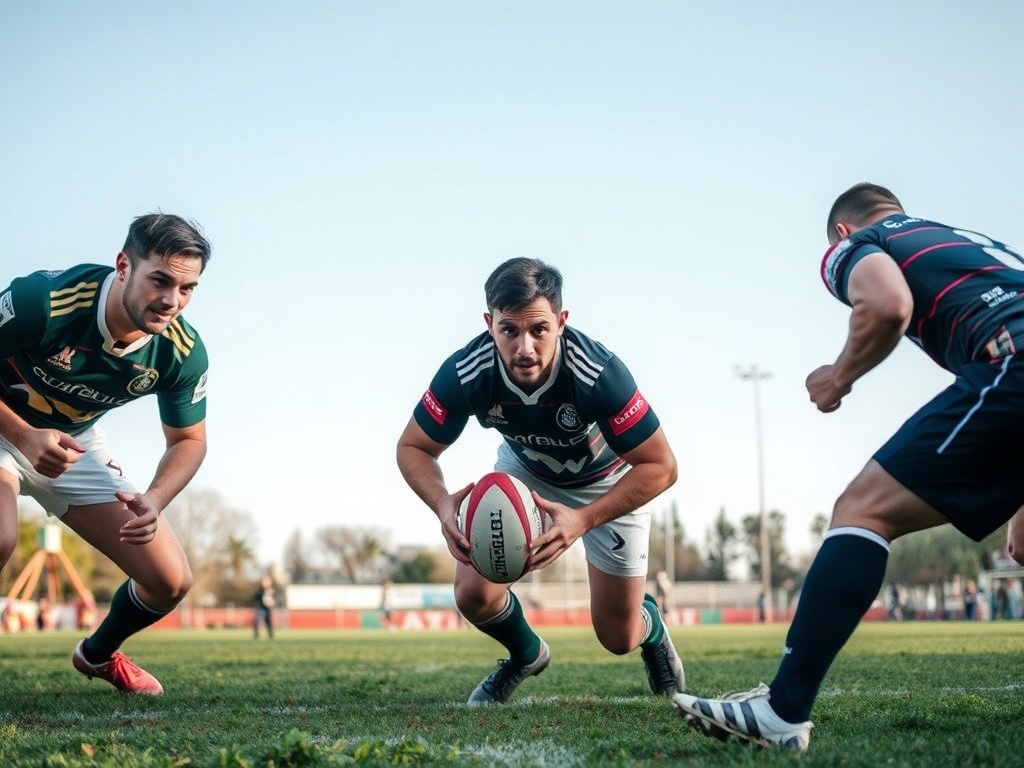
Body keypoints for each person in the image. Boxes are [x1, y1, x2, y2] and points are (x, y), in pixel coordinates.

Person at [673, 182, 1024, 750]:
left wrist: (839, 377)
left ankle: (783, 712)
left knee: (862, 509)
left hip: (1015, 359)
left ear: (841, 231)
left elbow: (887, 305)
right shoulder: (969, 242)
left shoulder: (861, 240)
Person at [396, 257, 683, 705]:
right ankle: (526, 654)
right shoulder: (466, 371)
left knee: (618, 636)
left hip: (607, 482)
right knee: (472, 593)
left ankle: (652, 628)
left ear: (562, 322)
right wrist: (442, 505)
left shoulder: (598, 373)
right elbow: (412, 447)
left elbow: (661, 466)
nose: (525, 347)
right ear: (489, 324)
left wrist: (584, 520)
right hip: (527, 472)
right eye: (509, 330)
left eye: (539, 330)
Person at [0, 214, 211, 694]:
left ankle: (97, 655)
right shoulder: (43, 302)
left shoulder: (181, 352)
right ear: (122, 266)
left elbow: (190, 441)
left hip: (72, 444)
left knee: (169, 580)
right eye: (160, 280)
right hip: (5, 425)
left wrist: (155, 499)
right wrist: (25, 435)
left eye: (187, 288)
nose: (171, 301)